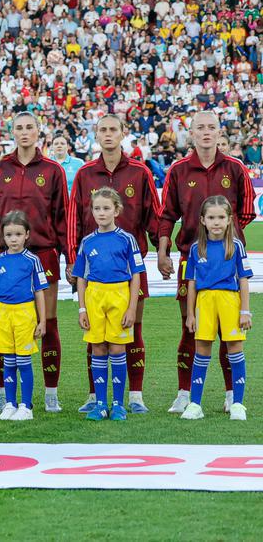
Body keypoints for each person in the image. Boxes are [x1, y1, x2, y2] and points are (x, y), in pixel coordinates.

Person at [157, 111, 256, 414]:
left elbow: (248, 210)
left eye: (212, 127)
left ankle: (230, 394)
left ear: (218, 131)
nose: (206, 132)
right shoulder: (178, 170)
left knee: (229, 332)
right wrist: (163, 251)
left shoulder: (235, 167)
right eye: (201, 127)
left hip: (226, 260)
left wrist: (224, 240)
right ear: (192, 133)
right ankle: (184, 392)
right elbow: (167, 215)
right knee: (190, 328)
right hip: (191, 260)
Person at [68, 115, 159, 414]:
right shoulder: (84, 174)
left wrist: (163, 250)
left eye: (113, 129)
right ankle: (95, 396)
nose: (108, 134)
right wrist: (72, 260)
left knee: (133, 329)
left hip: (128, 272)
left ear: (123, 133)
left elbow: (153, 217)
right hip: (93, 269)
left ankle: (134, 395)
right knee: (94, 334)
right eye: (102, 129)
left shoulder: (140, 172)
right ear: (96, 135)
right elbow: (74, 220)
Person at [0, 112, 69, 414]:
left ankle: (50, 392)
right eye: (19, 128)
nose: (24, 132)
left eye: (29, 127)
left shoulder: (53, 170)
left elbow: (62, 216)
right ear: (12, 132)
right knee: (5, 322)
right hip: (6, 257)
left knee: (47, 323)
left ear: (38, 131)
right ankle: (4, 394)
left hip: (43, 255)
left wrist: (68, 256)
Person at [71, 188, 145, 422]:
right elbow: (81, 277)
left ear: (116, 210)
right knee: (98, 348)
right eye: (97, 208)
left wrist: (132, 307)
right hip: (95, 296)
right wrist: (82, 308)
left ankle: (118, 404)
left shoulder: (127, 239)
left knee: (117, 348)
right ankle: (101, 403)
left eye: (106, 208)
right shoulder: (87, 241)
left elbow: (136, 275)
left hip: (119, 295)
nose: (101, 213)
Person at [181, 196, 254, 421]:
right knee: (201, 351)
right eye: (211, 217)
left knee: (234, 349)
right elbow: (191, 283)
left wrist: (245, 311)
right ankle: (195, 404)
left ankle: (238, 404)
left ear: (230, 219)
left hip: (230, 301)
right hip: (205, 302)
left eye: (221, 217)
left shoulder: (236, 246)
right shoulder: (195, 249)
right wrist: (191, 313)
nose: (216, 222)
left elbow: (243, 279)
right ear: (202, 220)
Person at [0, 211, 48, 421]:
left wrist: (42, 320)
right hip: (3, 314)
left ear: (27, 235)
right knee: (9, 361)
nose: (13, 239)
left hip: (24, 313)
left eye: (18, 234)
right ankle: (10, 404)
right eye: (9, 235)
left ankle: (26, 406)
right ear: (3, 237)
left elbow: (39, 292)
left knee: (23, 361)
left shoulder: (32, 260)